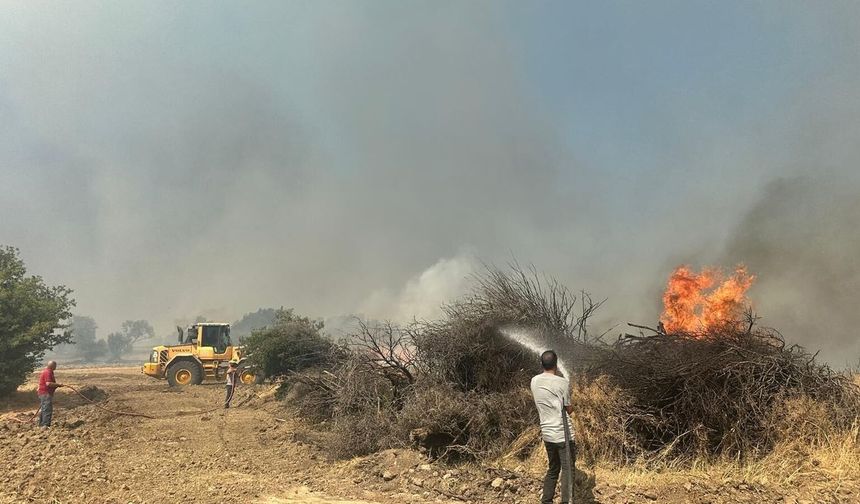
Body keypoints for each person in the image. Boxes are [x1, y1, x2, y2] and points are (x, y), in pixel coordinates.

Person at [530, 350, 573, 504]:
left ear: (541, 364)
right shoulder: (563, 382)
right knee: (568, 470)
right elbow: (569, 409)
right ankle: (566, 501)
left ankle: (546, 501)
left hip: (547, 434)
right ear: (556, 364)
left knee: (553, 469)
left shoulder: (534, 381)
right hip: (563, 434)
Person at [37, 361, 63, 427]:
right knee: (47, 409)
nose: (56, 367)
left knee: (44, 409)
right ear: (52, 366)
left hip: (44, 393)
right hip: (45, 393)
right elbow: (48, 383)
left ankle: (42, 425)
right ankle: (46, 425)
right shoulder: (47, 372)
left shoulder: (49, 372)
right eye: (55, 365)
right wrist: (58, 385)